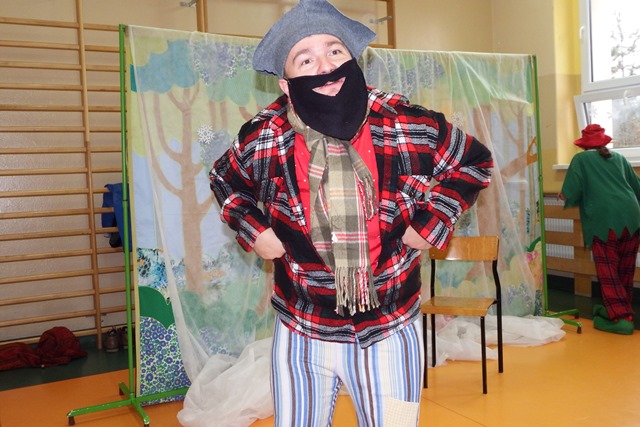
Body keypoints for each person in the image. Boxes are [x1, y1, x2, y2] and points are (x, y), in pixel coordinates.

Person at [209, 0, 493, 425]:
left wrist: (432, 221)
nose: (325, 67)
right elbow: (224, 178)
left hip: (390, 327)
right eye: (306, 60)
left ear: (353, 58)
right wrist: (255, 230)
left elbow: (474, 160)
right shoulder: (264, 136)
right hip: (301, 329)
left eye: (334, 51)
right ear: (286, 84)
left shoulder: (407, 122)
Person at [559, 124, 640, 335]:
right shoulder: (620, 158)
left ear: (584, 145)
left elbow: (571, 191)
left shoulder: (581, 159)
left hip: (604, 218)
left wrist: (564, 196)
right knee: (625, 268)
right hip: (632, 215)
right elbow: (637, 187)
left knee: (608, 269)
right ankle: (620, 310)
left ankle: (620, 318)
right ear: (604, 142)